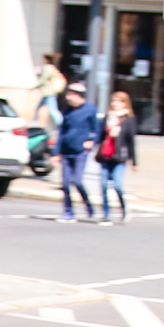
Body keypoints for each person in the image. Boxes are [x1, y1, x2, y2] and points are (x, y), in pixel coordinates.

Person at [54, 83, 100, 222]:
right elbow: (62, 132)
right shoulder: (67, 111)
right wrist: (56, 152)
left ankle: (88, 205)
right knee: (66, 184)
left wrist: (91, 141)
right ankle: (68, 212)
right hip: (66, 152)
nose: (68, 98)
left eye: (71, 95)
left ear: (79, 96)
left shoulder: (90, 110)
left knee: (78, 181)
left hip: (80, 152)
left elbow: (97, 130)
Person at [96, 90, 138, 223]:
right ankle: (106, 214)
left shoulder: (129, 119)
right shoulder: (107, 118)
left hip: (119, 157)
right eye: (114, 101)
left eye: (119, 101)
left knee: (117, 185)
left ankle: (124, 208)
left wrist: (134, 161)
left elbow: (131, 141)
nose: (115, 104)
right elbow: (100, 136)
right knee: (103, 186)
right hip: (106, 155)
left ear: (125, 104)